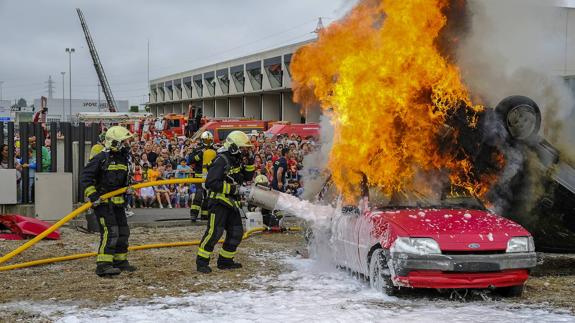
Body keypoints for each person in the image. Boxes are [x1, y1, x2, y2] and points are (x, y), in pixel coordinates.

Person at [80, 126, 137, 277]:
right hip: (103, 204)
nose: (126, 144)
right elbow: (85, 178)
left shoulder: (123, 158)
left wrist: (128, 188)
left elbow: (121, 179)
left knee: (123, 232)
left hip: (118, 204)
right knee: (111, 232)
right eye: (123, 142)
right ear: (114, 142)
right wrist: (93, 196)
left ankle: (120, 261)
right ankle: (103, 265)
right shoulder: (101, 158)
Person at [196, 130, 255, 274]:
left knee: (236, 232)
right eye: (242, 148)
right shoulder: (221, 160)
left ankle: (225, 261)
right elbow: (211, 182)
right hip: (219, 202)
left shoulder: (237, 159)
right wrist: (234, 189)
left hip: (232, 203)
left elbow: (247, 176)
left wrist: (250, 161)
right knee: (214, 233)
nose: (244, 151)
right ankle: (202, 262)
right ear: (233, 147)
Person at [189, 131, 216, 222]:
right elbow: (191, 160)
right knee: (199, 194)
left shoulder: (214, 150)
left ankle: (205, 215)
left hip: (210, 177)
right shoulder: (198, 150)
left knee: (208, 196)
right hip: (199, 177)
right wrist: (201, 154)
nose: (208, 143)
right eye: (206, 141)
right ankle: (194, 214)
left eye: (209, 141)